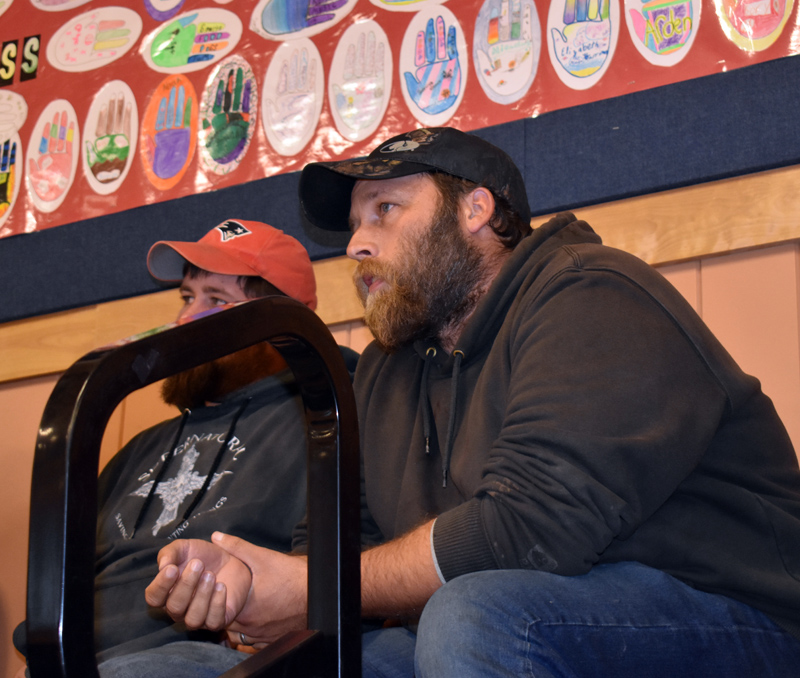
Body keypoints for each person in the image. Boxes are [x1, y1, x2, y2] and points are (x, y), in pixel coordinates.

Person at [143, 128, 800, 677]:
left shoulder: (592, 293)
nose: (356, 245)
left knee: (475, 614)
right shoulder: (384, 370)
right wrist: (254, 589)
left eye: (385, 211)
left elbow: (532, 530)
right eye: (353, 226)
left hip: (734, 616)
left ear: (476, 210)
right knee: (210, 669)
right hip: (502, 617)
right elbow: (343, 544)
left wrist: (315, 589)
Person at [14, 219, 358, 676]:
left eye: (216, 300)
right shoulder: (139, 449)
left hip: (213, 657)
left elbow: (324, 583)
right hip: (76, 661)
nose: (185, 320)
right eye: (187, 299)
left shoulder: (326, 423)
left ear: (282, 323)